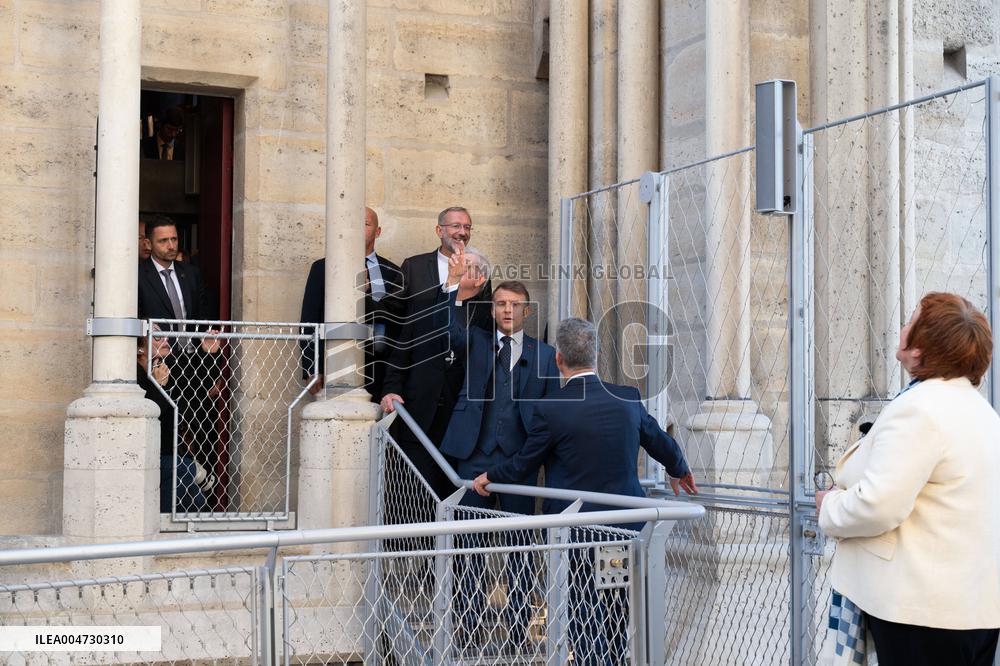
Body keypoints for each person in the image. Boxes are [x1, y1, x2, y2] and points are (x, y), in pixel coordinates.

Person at [472, 317, 696, 662]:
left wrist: (489, 476)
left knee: (582, 611)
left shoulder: (549, 408)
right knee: (618, 609)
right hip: (626, 526)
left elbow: (523, 464)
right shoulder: (627, 398)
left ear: (558, 358)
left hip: (576, 530)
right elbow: (660, 442)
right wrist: (679, 469)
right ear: (596, 355)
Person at [817, 292, 1000, 666]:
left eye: (910, 321)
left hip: (922, 612)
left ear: (920, 349)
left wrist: (829, 506)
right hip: (968, 609)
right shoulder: (979, 411)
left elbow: (878, 506)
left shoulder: (921, 409)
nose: (902, 328)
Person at [437, 254, 560, 651]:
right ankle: (468, 624)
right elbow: (447, 331)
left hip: (519, 463)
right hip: (474, 456)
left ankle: (521, 627)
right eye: (501, 304)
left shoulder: (545, 355)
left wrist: (537, 459)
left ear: (526, 311)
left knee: (521, 548)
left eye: (515, 305)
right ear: (492, 309)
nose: (508, 310)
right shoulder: (476, 341)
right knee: (468, 546)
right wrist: (454, 289)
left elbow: (551, 412)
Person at [379, 206, 493, 499]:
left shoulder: (479, 275)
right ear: (439, 230)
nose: (461, 232)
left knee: (450, 488)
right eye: (455, 226)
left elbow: (482, 336)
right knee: (410, 489)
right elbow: (399, 331)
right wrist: (391, 386)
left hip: (458, 406)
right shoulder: (414, 267)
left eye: (467, 227)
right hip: (419, 396)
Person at [299, 207, 402, 400]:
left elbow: (396, 320)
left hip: (382, 367)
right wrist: (311, 368)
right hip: (336, 365)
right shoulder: (322, 268)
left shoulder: (393, 272)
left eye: (365, 224)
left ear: (378, 231)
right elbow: (309, 320)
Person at [136, 327, 207, 514]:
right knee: (184, 469)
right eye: (157, 337)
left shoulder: (163, 369)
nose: (166, 339)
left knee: (198, 500)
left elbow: (199, 387)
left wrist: (207, 353)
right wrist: (159, 386)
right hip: (141, 456)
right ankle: (159, 522)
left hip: (165, 453)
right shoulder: (134, 377)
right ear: (139, 348)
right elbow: (148, 415)